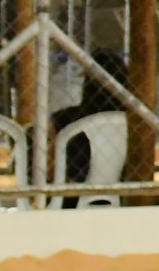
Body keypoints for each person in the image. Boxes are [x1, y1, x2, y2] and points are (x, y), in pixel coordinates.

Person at [51, 51, 128, 208]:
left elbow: (50, 169)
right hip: (121, 197)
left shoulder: (64, 119)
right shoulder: (133, 121)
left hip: (71, 199)